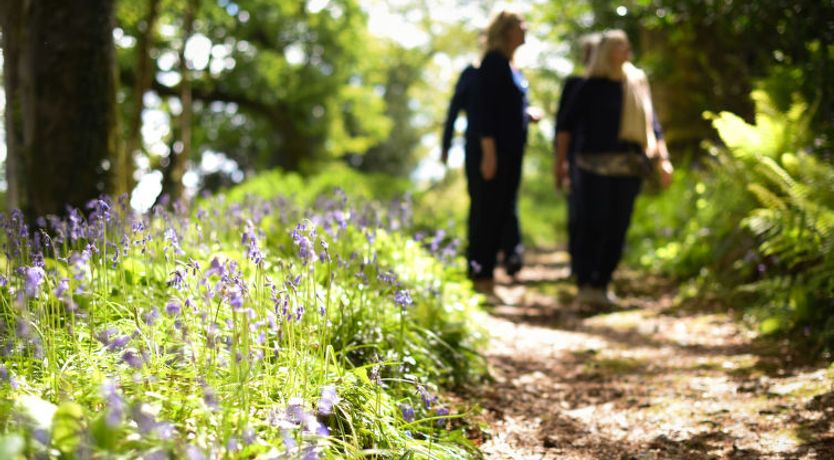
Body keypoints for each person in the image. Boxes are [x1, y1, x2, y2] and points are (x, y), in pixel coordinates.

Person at [555, 29, 673, 307]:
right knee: (592, 223)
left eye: (627, 45)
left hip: (629, 167)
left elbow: (652, 126)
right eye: (619, 46)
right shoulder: (588, 86)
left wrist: (663, 160)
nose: (626, 50)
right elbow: (565, 128)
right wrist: (560, 164)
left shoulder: (637, 84)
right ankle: (585, 286)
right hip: (591, 167)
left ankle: (602, 283)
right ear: (606, 52)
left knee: (617, 226)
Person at [470, 10, 540, 293]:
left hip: (511, 151)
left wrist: (527, 114)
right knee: (487, 211)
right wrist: (489, 154)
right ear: (507, 30)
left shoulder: (512, 67)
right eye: (520, 25)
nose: (526, 29)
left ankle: (489, 276)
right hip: (493, 151)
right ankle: (481, 277)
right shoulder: (493, 63)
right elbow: (483, 112)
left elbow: (509, 110)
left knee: (502, 211)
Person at [441, 59, 522, 284]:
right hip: (479, 148)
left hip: (511, 151)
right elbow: (456, 107)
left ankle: (511, 254)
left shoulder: (516, 73)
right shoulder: (474, 73)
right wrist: (446, 145)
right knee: (483, 206)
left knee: (507, 204)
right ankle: (479, 270)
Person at [553, 33, 600, 278]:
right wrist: (560, 163)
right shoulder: (575, 84)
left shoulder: (618, 85)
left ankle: (593, 269)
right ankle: (578, 266)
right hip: (576, 161)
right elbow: (562, 126)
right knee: (577, 214)